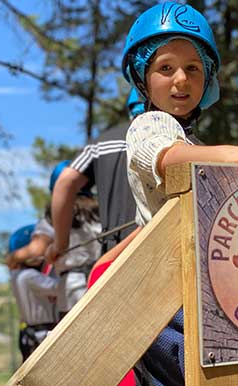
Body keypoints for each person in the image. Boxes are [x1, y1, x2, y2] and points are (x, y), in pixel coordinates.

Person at [121, 1, 238, 386]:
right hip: (172, 299)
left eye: (193, 68)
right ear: (143, 79)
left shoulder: (193, 140)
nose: (181, 79)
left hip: (198, 293)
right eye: (166, 68)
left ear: (207, 78)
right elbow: (167, 158)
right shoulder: (149, 124)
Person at [51, 88, 145, 255]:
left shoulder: (101, 144)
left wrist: (60, 244)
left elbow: (65, 181)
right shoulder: (178, 140)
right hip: (166, 250)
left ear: (130, 107)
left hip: (115, 252)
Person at [45, 161, 101, 317]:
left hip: (71, 287)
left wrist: (51, 252)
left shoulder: (55, 214)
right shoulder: (99, 210)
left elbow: (52, 253)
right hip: (97, 280)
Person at [8, 224, 59, 362]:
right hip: (42, 334)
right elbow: (58, 288)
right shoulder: (30, 276)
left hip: (31, 333)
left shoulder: (16, 275)